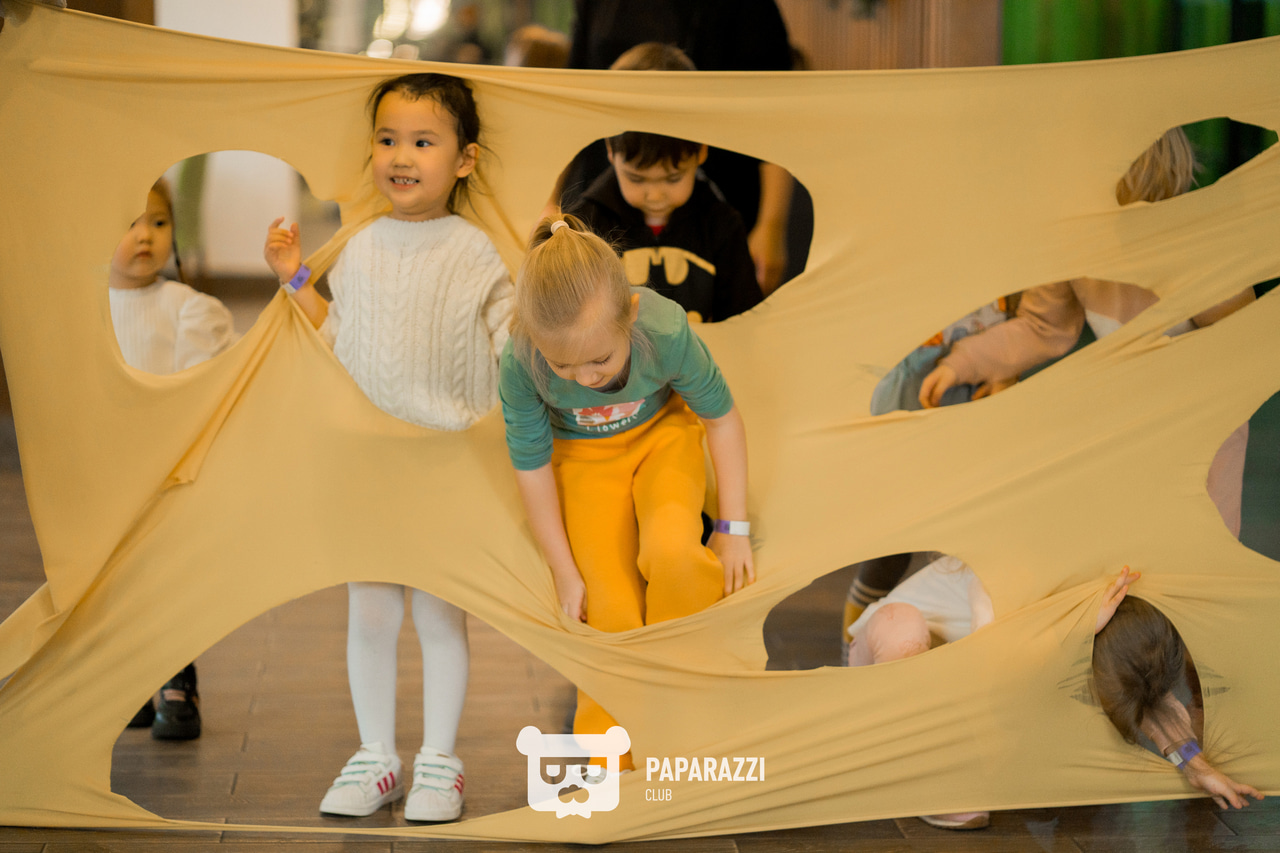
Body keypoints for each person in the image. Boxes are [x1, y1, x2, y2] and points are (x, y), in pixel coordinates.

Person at [263, 72, 512, 822]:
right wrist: (295, 278)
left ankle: (440, 760)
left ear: (464, 160)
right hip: (366, 464)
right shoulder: (362, 246)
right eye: (388, 139)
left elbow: (511, 345)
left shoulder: (477, 252)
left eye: (423, 141)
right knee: (369, 615)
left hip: (445, 465)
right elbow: (340, 337)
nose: (401, 156)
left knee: (440, 617)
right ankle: (378, 757)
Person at [498, 214, 754, 770]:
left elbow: (722, 420)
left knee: (674, 556)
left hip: (663, 439)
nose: (586, 378)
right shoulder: (520, 358)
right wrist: (565, 570)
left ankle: (684, 720)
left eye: (601, 360)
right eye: (564, 365)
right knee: (608, 609)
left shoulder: (663, 328)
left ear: (631, 314)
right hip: (582, 461)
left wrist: (733, 528)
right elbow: (532, 466)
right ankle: (614, 760)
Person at [917, 128, 1255, 535]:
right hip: (1124, 419)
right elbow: (1043, 326)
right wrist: (963, 362)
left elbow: (1244, 348)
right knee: (1121, 533)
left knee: (1197, 534)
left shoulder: (1201, 252)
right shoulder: (1078, 240)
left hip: (1201, 426)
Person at [847, 564, 1262, 827]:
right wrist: (1073, 631)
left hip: (962, 701)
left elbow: (1141, 689)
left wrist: (1194, 763)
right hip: (887, 673)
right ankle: (927, 774)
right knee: (904, 626)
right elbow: (986, 665)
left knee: (1048, 695)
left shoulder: (1103, 614)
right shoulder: (1001, 578)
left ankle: (950, 759)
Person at [110, 177, 236, 740]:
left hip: (166, 470)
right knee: (113, 582)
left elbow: (198, 387)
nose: (145, 236)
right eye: (129, 224)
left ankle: (176, 676)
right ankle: (130, 678)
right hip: (103, 472)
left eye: (159, 223)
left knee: (164, 577)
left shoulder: (187, 309)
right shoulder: (83, 312)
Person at [570, 47, 763, 323]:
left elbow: (743, 322)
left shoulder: (721, 226)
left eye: (673, 178)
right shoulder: (585, 226)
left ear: (701, 151)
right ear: (610, 150)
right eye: (637, 178)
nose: (656, 195)